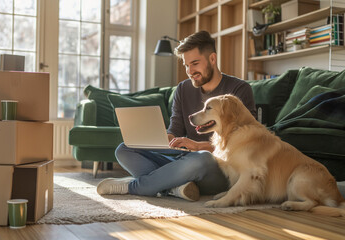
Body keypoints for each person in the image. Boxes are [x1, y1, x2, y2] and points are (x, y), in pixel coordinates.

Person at [96, 30, 257, 201]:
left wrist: (198, 146)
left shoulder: (238, 91)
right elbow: (176, 128)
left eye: (194, 63)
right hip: (183, 159)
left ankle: (133, 186)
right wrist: (163, 139)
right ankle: (176, 188)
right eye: (186, 65)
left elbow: (247, 144)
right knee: (124, 149)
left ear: (212, 59)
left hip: (217, 167)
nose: (189, 71)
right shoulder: (183, 88)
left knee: (201, 159)